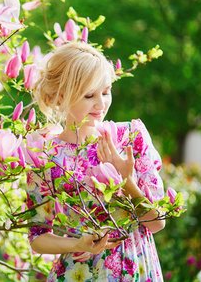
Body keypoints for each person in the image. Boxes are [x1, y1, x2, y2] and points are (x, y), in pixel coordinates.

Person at [27, 41, 165, 281]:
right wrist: (76, 244)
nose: (101, 104)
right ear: (61, 97)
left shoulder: (132, 138)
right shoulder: (45, 156)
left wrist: (127, 182)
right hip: (77, 273)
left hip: (136, 267)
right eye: (89, 95)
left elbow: (156, 224)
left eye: (106, 91)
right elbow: (38, 236)